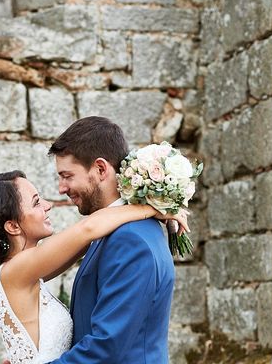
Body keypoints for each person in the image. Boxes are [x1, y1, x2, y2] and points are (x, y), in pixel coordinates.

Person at [0, 167, 188, 363]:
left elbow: (87, 241)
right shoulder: (17, 270)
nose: (48, 205)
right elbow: (87, 230)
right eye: (36, 202)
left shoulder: (25, 272)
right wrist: (152, 208)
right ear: (13, 226)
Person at [45, 116, 177, 363]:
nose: (61, 188)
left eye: (67, 175)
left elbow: (106, 347)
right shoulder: (114, 229)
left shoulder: (131, 240)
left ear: (101, 169)